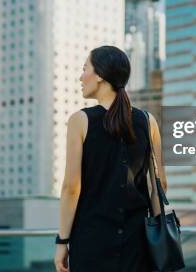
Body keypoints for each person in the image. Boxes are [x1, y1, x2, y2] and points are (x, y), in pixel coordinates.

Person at [53, 45, 166, 272]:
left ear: (101, 76)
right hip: (139, 242)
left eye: (85, 69)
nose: (80, 77)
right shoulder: (148, 121)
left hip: (91, 241)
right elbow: (159, 185)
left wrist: (62, 242)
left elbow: (71, 189)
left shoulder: (80, 121)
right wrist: (159, 235)